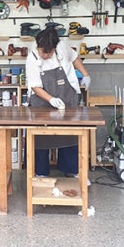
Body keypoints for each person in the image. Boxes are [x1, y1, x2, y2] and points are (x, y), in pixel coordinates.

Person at [25, 26, 91, 177]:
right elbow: (35, 86)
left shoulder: (62, 47)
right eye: (42, 52)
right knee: (40, 138)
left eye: (48, 53)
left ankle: (72, 170)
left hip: (67, 98)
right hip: (41, 104)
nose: (44, 55)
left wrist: (85, 74)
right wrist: (52, 99)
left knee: (70, 134)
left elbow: (74, 58)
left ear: (55, 48)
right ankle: (40, 172)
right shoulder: (32, 59)